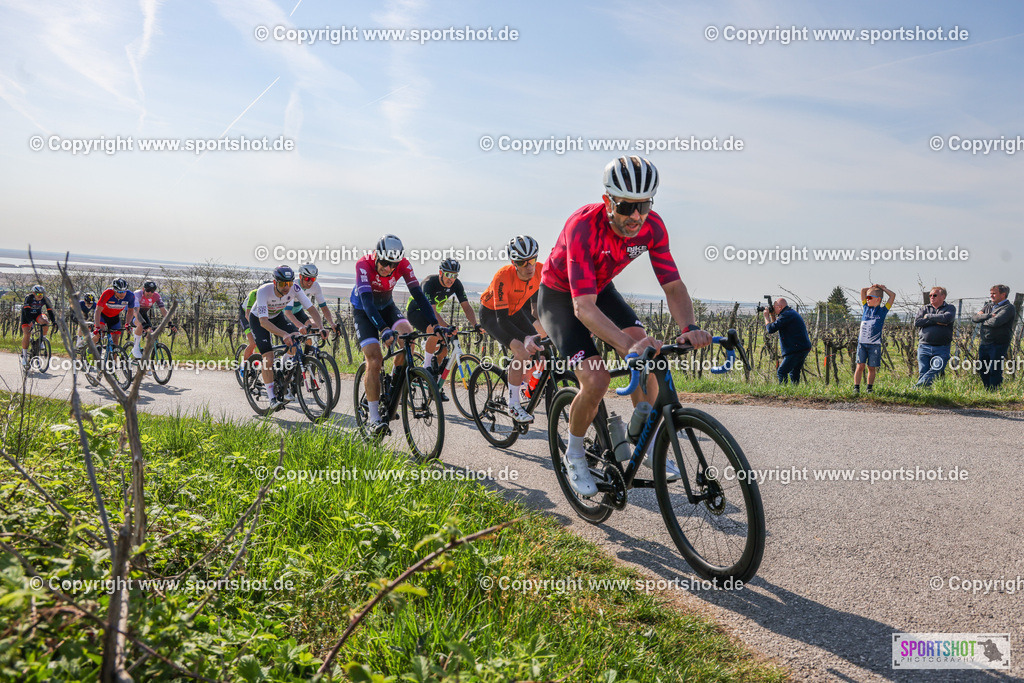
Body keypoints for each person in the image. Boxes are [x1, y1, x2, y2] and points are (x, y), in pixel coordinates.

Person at [537, 156, 711, 497]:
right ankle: (574, 454)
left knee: (648, 352)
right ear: (608, 201)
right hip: (559, 297)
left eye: (644, 205)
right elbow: (581, 307)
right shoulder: (582, 227)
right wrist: (624, 345)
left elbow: (673, 286)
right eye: (627, 206)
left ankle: (638, 443)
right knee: (597, 378)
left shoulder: (653, 227)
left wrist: (689, 326)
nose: (636, 216)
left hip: (600, 290)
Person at [351, 235, 442, 433]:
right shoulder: (363, 265)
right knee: (375, 360)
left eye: (394, 264)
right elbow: (367, 303)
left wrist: (434, 323)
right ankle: (374, 419)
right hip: (364, 310)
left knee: (408, 340)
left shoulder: (403, 265)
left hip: (388, 306)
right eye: (384, 263)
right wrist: (383, 329)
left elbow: (418, 295)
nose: (389, 268)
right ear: (376, 256)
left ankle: (392, 383)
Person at [479, 238, 547, 423]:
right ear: (513, 263)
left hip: (515, 311)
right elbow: (502, 320)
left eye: (531, 260)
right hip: (493, 315)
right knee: (521, 350)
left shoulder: (541, 270)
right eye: (521, 262)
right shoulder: (503, 276)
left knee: (540, 346)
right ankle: (513, 405)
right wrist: (524, 338)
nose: (528, 266)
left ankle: (521, 379)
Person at [248, 266, 326, 410]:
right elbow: (264, 322)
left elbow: (311, 309)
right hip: (259, 319)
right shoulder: (264, 291)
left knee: (296, 340)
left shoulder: (294, 288)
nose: (286, 287)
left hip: (277, 316)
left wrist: (321, 327)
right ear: (275, 282)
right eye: (283, 283)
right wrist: (283, 334)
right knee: (268, 357)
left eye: (289, 283)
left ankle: (282, 370)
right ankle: (272, 398)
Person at [406, 258, 483, 399]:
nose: (451, 279)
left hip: (432, 315)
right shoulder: (429, 283)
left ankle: (434, 385)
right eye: (448, 275)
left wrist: (475, 324)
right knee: (435, 331)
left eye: (455, 275)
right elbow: (432, 311)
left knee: (445, 347)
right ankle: (426, 367)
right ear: (441, 272)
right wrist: (446, 327)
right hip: (417, 312)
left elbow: (466, 307)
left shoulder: (456, 285)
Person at [853, 284, 895, 395]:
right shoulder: (865, 308)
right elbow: (862, 290)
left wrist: (883, 289)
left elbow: (892, 296)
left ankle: (869, 388)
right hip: (862, 344)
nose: (867, 299)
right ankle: (856, 388)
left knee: (871, 367)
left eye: (870, 298)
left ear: (878, 300)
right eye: (867, 298)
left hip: (874, 345)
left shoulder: (883, 311)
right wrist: (872, 287)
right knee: (860, 365)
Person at [971, 284, 1016, 390]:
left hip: (998, 343)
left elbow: (996, 322)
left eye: (994, 293)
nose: (991, 296)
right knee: (983, 368)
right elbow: (975, 318)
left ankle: (994, 390)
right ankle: (987, 389)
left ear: (1003, 294)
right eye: (991, 293)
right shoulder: (989, 306)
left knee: (994, 369)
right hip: (985, 342)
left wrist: (982, 318)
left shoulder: (1008, 308)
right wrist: (988, 315)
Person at [914, 287, 956, 387]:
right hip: (924, 346)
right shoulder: (924, 308)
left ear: (943, 296)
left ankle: (916, 388)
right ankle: (925, 395)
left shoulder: (950, 308)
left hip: (942, 347)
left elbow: (947, 318)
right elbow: (917, 322)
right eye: (930, 295)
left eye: (935, 295)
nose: (932, 297)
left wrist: (928, 316)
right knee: (923, 371)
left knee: (936, 369)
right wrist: (937, 321)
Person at [763, 298, 811, 384]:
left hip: (796, 349)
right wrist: (772, 315)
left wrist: (766, 317)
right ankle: (794, 393)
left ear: (780, 307)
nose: (773, 309)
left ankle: (784, 392)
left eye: (774, 307)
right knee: (794, 372)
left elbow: (770, 329)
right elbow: (776, 326)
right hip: (801, 347)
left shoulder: (786, 315)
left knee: (781, 371)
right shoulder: (789, 313)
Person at [129, 281, 173, 358]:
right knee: (141, 325)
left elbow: (163, 310)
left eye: (152, 291)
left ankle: (145, 356)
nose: (149, 293)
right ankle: (135, 348)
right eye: (148, 290)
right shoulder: (137, 294)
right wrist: (143, 324)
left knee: (151, 335)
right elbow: (135, 311)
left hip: (143, 314)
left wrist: (170, 323)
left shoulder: (156, 296)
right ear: (143, 289)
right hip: (133, 313)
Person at [93, 279, 137, 349]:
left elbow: (130, 311)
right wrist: (97, 327)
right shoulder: (107, 293)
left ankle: (114, 359)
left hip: (114, 316)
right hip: (102, 315)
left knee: (116, 340)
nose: (122, 294)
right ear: (114, 290)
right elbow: (98, 310)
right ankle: (90, 348)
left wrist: (127, 324)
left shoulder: (130, 295)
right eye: (119, 292)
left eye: (124, 291)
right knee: (100, 334)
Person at [20, 285, 55, 368]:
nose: (40, 295)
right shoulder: (29, 298)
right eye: (38, 293)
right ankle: (24, 356)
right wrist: (30, 322)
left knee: (45, 322)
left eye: (42, 294)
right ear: (33, 293)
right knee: (27, 334)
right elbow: (26, 311)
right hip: (26, 316)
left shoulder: (45, 299)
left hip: (37, 315)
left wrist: (54, 321)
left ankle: (42, 340)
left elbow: (50, 311)